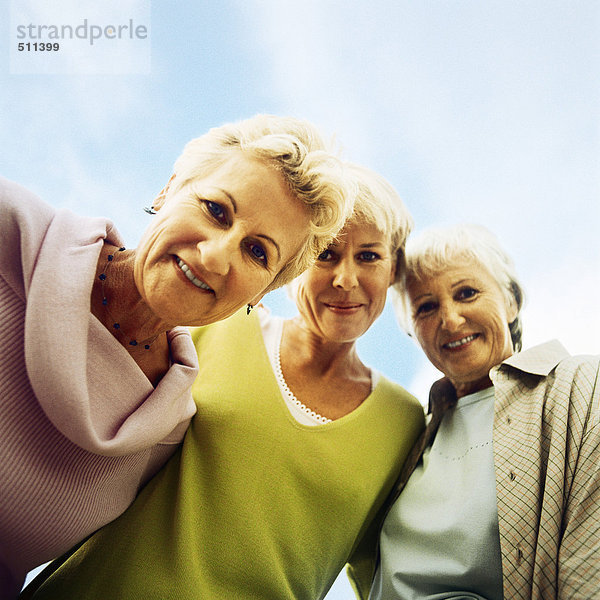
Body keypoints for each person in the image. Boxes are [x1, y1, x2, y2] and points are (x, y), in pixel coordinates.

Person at [23, 163, 425, 600]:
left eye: (369, 256)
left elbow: (390, 574)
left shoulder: (403, 423)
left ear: (394, 270)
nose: (346, 279)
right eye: (326, 255)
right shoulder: (206, 327)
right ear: (289, 269)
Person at [351, 224, 600, 600]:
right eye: (427, 307)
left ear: (511, 302)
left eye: (466, 293)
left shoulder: (580, 385)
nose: (450, 320)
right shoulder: (413, 433)